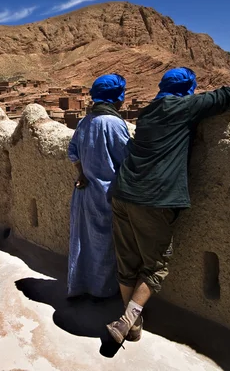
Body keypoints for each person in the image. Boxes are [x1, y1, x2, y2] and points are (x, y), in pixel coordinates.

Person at [106, 67, 230, 343]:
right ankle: (126, 320)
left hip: (122, 192)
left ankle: (132, 324)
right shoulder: (184, 106)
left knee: (127, 259)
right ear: (188, 89)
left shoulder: (147, 111)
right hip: (153, 198)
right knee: (156, 264)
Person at [67, 74, 131, 299]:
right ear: (116, 97)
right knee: (104, 246)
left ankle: (81, 287)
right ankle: (102, 293)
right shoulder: (113, 123)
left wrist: (82, 173)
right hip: (105, 196)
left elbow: (72, 151)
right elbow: (127, 159)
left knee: (83, 242)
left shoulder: (86, 121)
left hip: (83, 194)